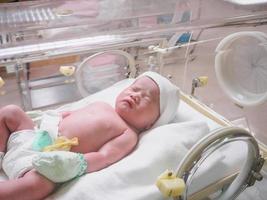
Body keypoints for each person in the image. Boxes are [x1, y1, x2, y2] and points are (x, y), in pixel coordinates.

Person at [0, 71, 179, 200]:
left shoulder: (128, 134)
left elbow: (104, 157)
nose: (136, 96)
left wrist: (73, 163)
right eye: (135, 88)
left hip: (45, 163)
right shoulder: (102, 104)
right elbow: (67, 114)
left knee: (38, 186)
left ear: (152, 123)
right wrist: (48, 119)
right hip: (35, 136)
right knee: (11, 112)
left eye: (147, 98)